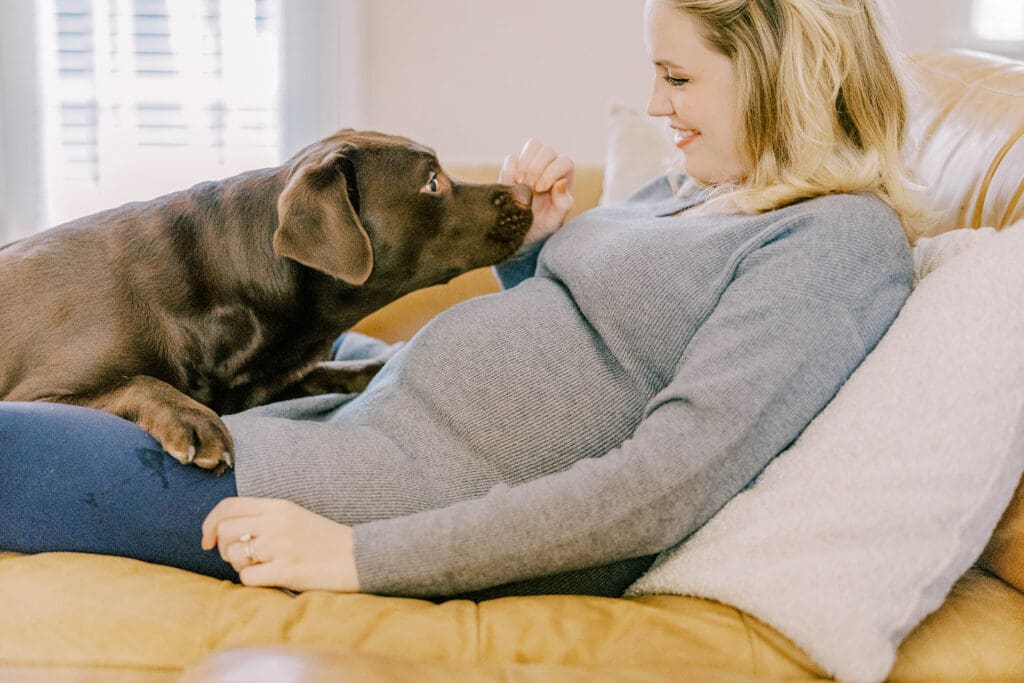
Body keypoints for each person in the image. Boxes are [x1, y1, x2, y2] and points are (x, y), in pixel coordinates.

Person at [0, 0, 925, 599]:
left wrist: (358, 556)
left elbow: (662, 485)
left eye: (679, 78)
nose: (654, 106)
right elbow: (587, 344)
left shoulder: (834, 243)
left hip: (345, 492)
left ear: (781, 73)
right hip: (336, 420)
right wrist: (541, 250)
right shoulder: (710, 192)